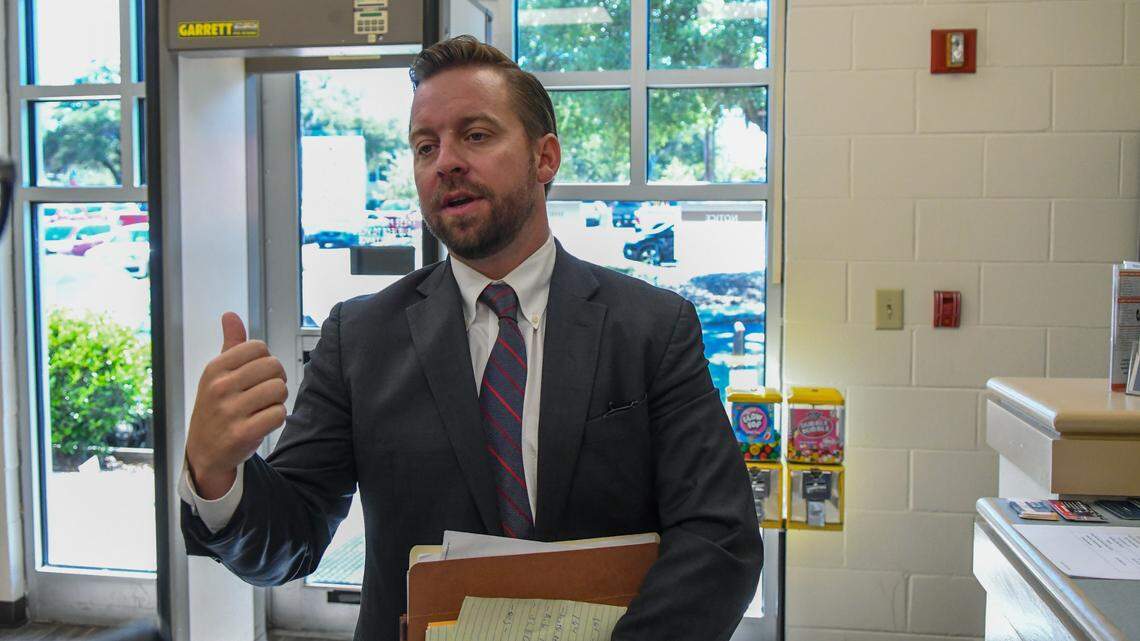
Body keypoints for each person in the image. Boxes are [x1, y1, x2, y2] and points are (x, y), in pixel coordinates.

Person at [180, 36, 762, 641]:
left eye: (476, 135)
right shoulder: (360, 338)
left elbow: (718, 539)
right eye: (425, 146)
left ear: (545, 158)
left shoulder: (651, 328)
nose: (446, 161)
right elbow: (289, 546)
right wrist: (217, 475)